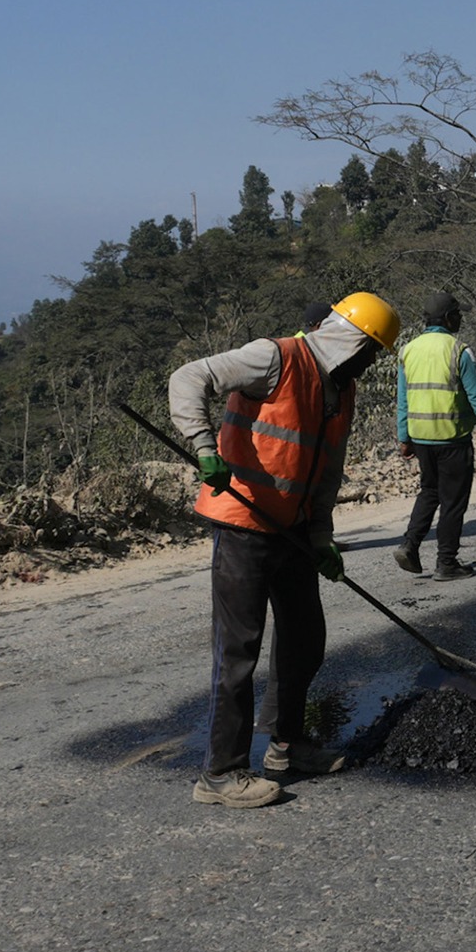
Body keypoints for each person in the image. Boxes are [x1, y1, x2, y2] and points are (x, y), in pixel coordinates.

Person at [168, 291, 401, 808]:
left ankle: (287, 747)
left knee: (305, 638)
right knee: (239, 652)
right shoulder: (275, 358)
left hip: (292, 530)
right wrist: (205, 448)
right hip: (244, 524)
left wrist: (321, 538)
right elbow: (188, 377)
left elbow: (326, 471)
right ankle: (221, 774)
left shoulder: (342, 389)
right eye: (369, 351)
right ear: (349, 339)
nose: (369, 363)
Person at [394, 291, 476, 580]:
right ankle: (446, 563)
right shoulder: (460, 351)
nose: (461, 318)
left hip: (420, 438)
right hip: (452, 439)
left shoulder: (408, 350)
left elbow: (403, 400)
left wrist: (403, 437)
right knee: (453, 500)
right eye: (458, 314)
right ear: (447, 318)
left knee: (429, 492)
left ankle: (409, 544)